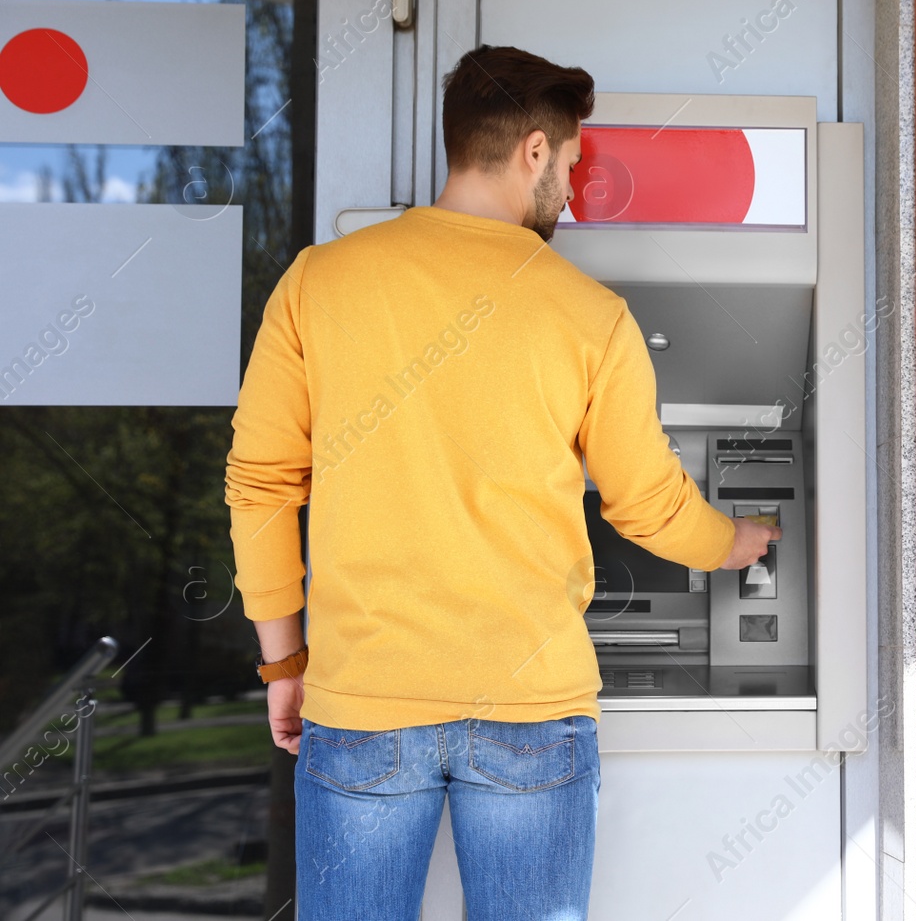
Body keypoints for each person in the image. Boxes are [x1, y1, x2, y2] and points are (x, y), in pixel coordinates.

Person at [223, 44, 780, 919]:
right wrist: (737, 540)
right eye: (571, 161)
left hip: (364, 704)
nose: (572, 180)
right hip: (531, 708)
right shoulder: (591, 317)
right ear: (531, 149)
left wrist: (284, 661)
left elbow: (260, 486)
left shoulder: (317, 284)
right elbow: (648, 504)